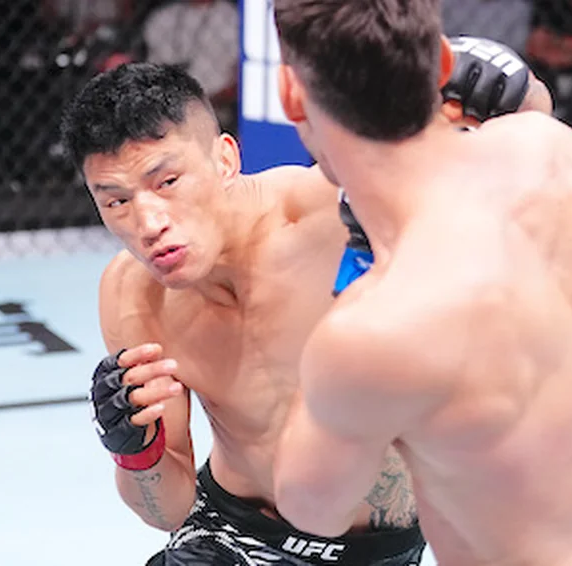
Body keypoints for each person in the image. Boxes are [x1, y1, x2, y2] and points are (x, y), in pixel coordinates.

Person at [62, 37, 541, 565]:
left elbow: (525, 154)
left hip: (382, 548)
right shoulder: (132, 293)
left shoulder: (331, 215)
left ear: (225, 159)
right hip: (230, 535)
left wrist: (511, 87)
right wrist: (134, 450)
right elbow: (168, 510)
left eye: (168, 181)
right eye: (117, 201)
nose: (148, 223)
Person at [271, 2, 572, 566]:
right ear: (444, 60)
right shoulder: (554, 152)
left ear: (291, 94)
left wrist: (357, 273)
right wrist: (531, 111)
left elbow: (312, 509)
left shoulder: (373, 325)